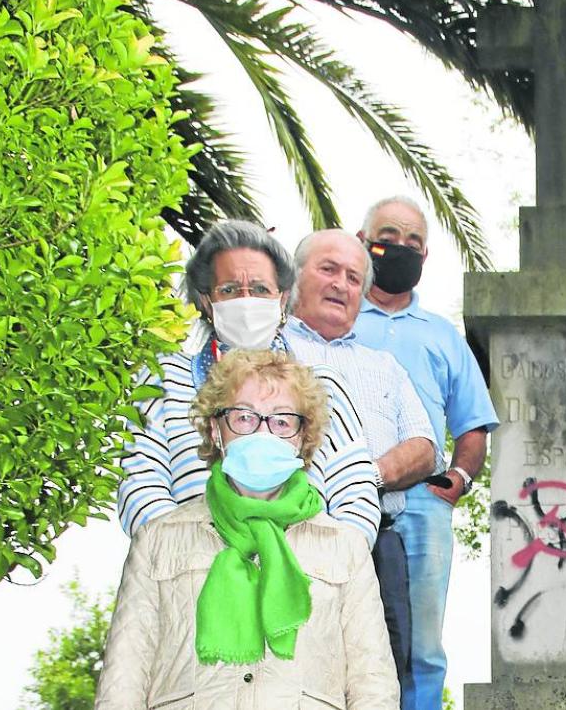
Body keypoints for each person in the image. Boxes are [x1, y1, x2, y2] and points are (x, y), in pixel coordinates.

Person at [96, 350, 399, 709]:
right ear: (215, 428)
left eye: (282, 421)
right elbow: (123, 680)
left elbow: (373, 684)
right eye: (244, 417)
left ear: (303, 438)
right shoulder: (157, 540)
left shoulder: (345, 547)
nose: (262, 432)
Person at [116, 219, 382, 546]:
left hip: (308, 583)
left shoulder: (326, 387)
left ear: (282, 299)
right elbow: (139, 488)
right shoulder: (163, 380)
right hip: (188, 581)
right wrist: (194, 562)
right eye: (229, 290)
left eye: (259, 289)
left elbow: (357, 499)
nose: (245, 299)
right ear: (206, 302)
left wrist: (318, 566)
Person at [353, 196, 499, 710]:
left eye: (414, 241)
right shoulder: (336, 321)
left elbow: (474, 422)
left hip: (421, 508)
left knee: (421, 646)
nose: (401, 247)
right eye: (388, 235)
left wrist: (458, 478)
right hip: (336, 499)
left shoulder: (443, 336)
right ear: (362, 240)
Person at [283, 228, 438, 703]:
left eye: (353, 277)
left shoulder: (385, 366)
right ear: (294, 277)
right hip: (284, 537)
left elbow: (427, 446)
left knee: (379, 677)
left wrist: (362, 478)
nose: (341, 284)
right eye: (328, 269)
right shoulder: (265, 352)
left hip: (375, 545)